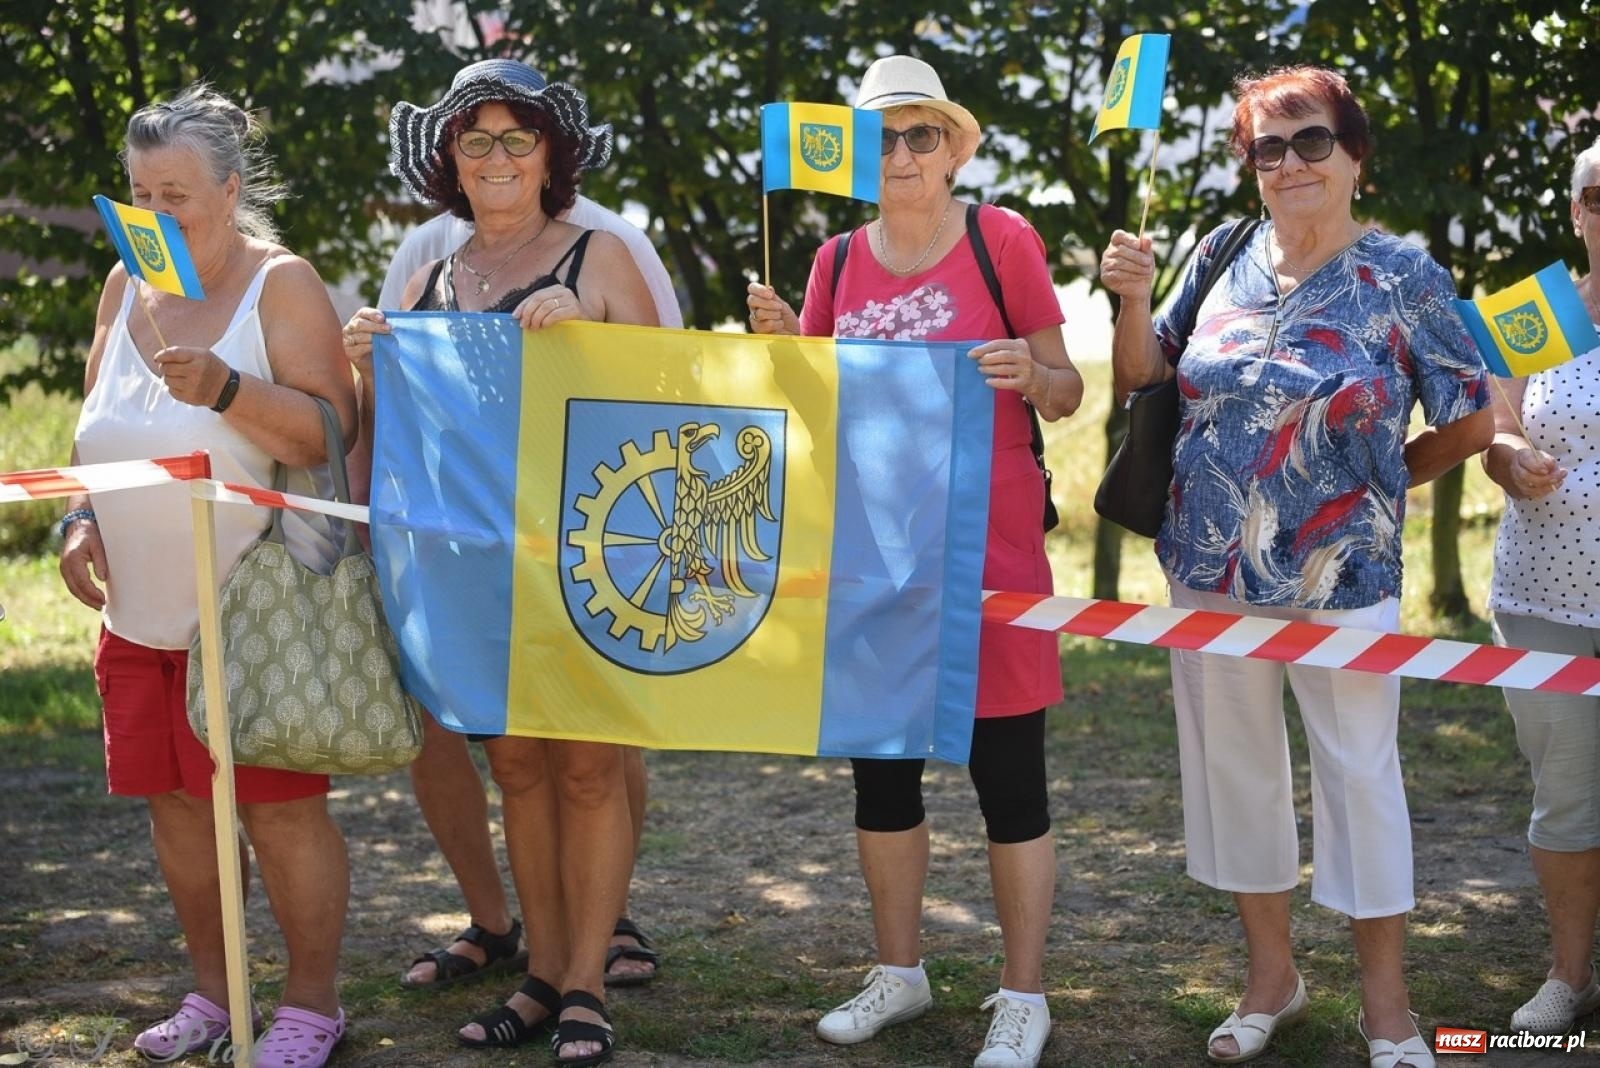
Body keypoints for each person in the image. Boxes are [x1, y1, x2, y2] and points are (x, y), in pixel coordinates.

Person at [1100, 65, 1493, 1068]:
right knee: (1234, 775)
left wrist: (1378, 484)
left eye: (1309, 140)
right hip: (1203, 569)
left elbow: (1469, 416)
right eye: (1266, 149)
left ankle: (1390, 1008)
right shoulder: (1219, 253)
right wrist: (1132, 302)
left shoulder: (1403, 275)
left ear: (1354, 152)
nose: (1288, 164)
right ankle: (1269, 980)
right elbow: (1146, 374)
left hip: (1343, 579)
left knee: (1360, 778)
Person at [746, 54, 1083, 1068]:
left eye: (919, 135)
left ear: (951, 149)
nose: (900, 154)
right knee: (881, 781)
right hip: (874, 560)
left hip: (990, 556)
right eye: (881, 138)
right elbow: (813, 415)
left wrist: (1033, 371)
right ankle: (899, 972)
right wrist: (778, 354)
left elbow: (1066, 389)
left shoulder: (1001, 239)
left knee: (1008, 782)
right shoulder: (833, 264)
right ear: (853, 155)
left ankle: (1023, 995)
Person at [343, 58, 657, 1065]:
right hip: (470, 565)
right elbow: (398, 431)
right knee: (517, 765)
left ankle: (584, 990)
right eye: (474, 140)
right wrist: (367, 365)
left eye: (515, 137)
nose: (496, 157)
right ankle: (538, 977)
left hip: (589, 559)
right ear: (450, 160)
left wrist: (590, 339)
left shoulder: (599, 257)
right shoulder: (430, 276)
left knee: (588, 769)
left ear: (549, 152)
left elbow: (666, 397)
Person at [60, 85, 357, 1068]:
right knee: (178, 811)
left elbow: (333, 432)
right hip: (139, 617)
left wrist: (227, 389)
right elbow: (91, 431)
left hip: (251, 614)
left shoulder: (283, 285)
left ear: (230, 189)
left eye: (177, 192)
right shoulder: (121, 284)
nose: (154, 212)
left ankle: (312, 1006)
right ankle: (215, 992)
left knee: (279, 813)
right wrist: (77, 515)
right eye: (140, 192)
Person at [1481, 136, 1600, 1036]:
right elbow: (1497, 423)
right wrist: (1512, 456)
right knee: (1566, 792)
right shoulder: (1543, 308)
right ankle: (1570, 977)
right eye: (1598, 197)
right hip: (1545, 600)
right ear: (1575, 212)